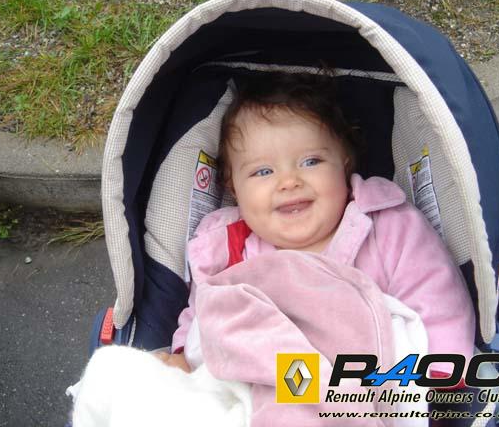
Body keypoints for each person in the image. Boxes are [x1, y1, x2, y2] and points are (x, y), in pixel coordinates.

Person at [163, 72, 475, 380]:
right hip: (261, 389)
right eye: (263, 172)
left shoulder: (389, 227)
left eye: (310, 162)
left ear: (345, 163)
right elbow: (204, 316)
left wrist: (441, 373)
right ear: (233, 187)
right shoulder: (224, 246)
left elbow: (436, 299)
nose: (289, 182)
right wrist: (185, 359)